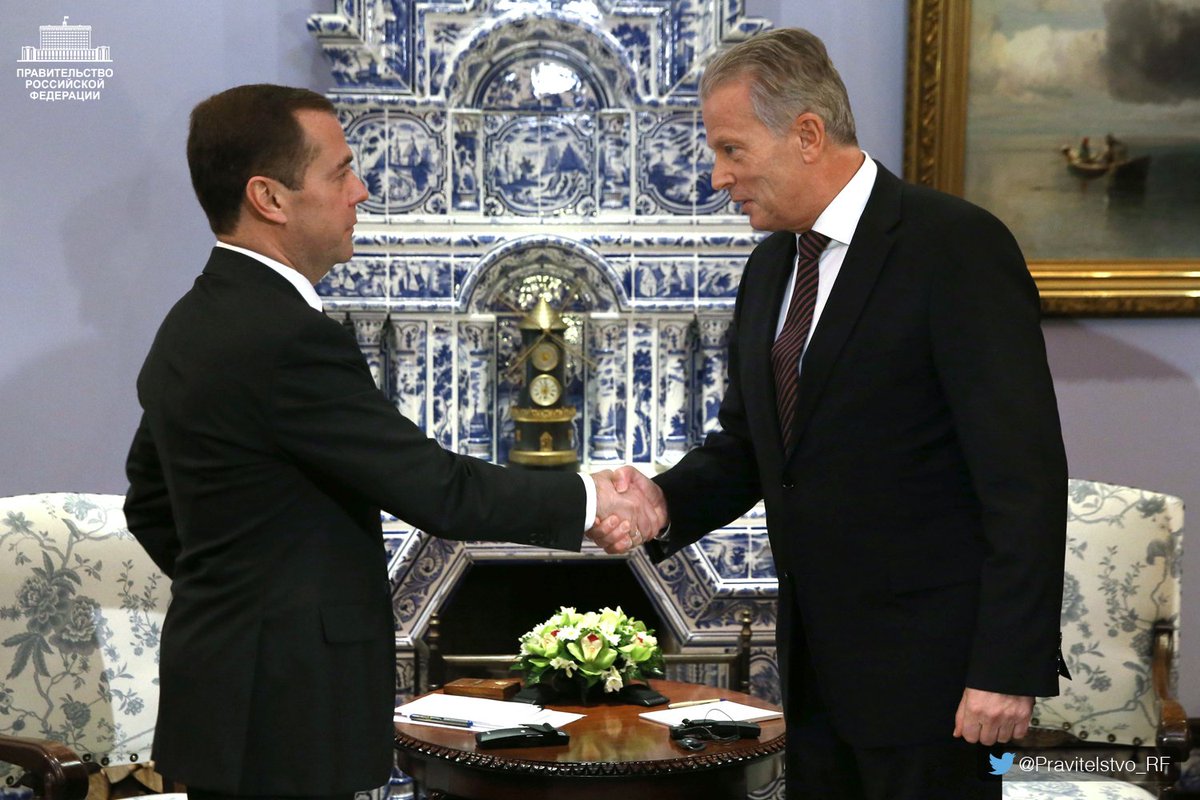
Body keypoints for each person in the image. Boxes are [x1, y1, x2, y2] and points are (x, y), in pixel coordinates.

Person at [123, 83, 662, 800]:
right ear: (269, 197)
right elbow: (437, 489)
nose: (362, 191)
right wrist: (592, 498)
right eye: (340, 171)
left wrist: (239, 601)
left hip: (226, 696)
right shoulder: (284, 338)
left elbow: (149, 504)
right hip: (286, 706)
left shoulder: (191, 323)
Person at [591, 28, 1067, 800]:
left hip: (940, 684)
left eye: (732, 150)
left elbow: (1025, 476)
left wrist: (1006, 669)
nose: (718, 176)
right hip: (817, 676)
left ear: (807, 134)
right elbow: (751, 447)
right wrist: (661, 502)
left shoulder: (954, 247)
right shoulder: (770, 267)